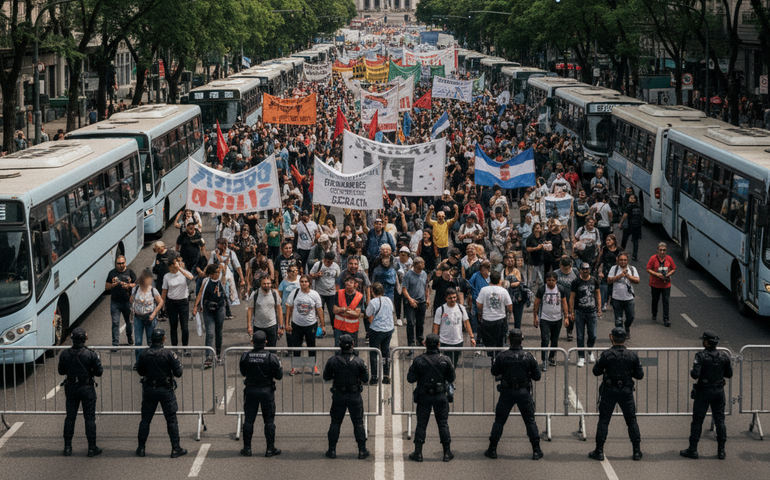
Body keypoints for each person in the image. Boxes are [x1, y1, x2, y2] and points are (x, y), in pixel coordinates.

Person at [484, 329, 543, 461]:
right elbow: (537, 376)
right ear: (522, 340)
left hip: (507, 392)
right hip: (523, 392)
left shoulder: (502, 356)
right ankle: (536, 450)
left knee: (499, 421)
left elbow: (494, 371)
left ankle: (492, 449)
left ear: (509, 340)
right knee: (530, 421)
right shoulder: (528, 356)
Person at [589, 327, 644, 462]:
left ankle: (599, 451)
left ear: (611, 337)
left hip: (609, 390)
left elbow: (596, 371)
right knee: (631, 421)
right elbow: (640, 375)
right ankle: (636, 451)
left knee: (604, 420)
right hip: (626, 391)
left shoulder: (606, 355)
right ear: (625, 339)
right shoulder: (632, 355)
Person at [680, 331, 733, 460]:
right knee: (720, 420)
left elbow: (695, 374)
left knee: (697, 421)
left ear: (707, 342)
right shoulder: (724, 356)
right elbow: (729, 374)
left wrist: (695, 370)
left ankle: (693, 450)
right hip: (719, 390)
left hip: (703, 391)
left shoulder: (701, 356)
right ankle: (721, 451)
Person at [135, 328, 187, 459]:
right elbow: (178, 373)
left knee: (145, 419)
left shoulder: (144, 354)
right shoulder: (169, 354)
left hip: (149, 390)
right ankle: (175, 448)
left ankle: (141, 448)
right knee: (171, 420)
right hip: (166, 390)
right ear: (163, 339)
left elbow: (140, 371)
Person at [407, 334, 456, 463]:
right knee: (443, 424)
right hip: (440, 396)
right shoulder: (445, 360)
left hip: (424, 396)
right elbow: (451, 378)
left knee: (421, 424)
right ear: (438, 344)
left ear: (425, 344)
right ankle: (447, 453)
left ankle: (418, 453)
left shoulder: (418, 360)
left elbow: (410, 378)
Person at [323, 334, 370, 460]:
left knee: (335, 422)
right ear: (352, 345)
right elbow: (366, 378)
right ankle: (362, 450)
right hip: (354, 395)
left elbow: (326, 376)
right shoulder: (359, 361)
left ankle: (332, 450)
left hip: (339, 395)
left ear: (340, 345)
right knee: (358, 423)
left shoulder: (333, 361)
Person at [59, 327, 103, 457]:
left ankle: (67, 447)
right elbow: (99, 372)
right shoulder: (90, 354)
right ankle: (92, 447)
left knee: (70, 417)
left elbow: (61, 371)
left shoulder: (65, 354)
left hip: (71, 388)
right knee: (89, 418)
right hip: (87, 388)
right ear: (85, 338)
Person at [239, 330, 283, 458]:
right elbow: (279, 376)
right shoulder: (271, 357)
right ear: (265, 342)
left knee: (248, 421)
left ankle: (247, 448)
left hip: (251, 391)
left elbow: (243, 372)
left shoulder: (245, 356)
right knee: (269, 421)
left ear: (252, 342)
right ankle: (270, 449)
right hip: (266, 392)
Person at [285, 275, 325, 376]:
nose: (303, 283)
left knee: (311, 345)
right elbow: (288, 307)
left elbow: (319, 309)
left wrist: (323, 324)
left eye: (306, 281)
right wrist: (287, 323)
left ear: (309, 283)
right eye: (302, 281)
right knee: (296, 346)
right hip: (296, 324)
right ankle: (296, 366)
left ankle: (313, 366)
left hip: (311, 324)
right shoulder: (294, 293)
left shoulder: (314, 294)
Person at [532, 272, 569, 371]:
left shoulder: (560, 289)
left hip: (557, 319)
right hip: (545, 319)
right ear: (546, 280)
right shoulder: (542, 290)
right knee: (545, 340)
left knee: (554, 340)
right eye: (549, 280)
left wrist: (566, 317)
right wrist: (535, 317)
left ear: (556, 281)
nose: (551, 282)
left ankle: (552, 357)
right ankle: (544, 360)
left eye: (553, 280)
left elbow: (564, 303)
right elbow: (536, 304)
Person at [432, 288, 475, 367]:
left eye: (454, 297)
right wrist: (435, 341)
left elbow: (466, 323)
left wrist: (472, 337)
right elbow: (436, 326)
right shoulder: (440, 310)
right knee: (444, 364)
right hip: (444, 342)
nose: (452, 299)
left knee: (453, 364)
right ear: (446, 298)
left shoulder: (461, 309)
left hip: (458, 341)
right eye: (450, 298)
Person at [570, 263, 601, 368]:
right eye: (583, 269)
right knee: (580, 336)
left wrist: (599, 308)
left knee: (593, 334)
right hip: (580, 311)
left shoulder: (594, 280)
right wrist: (571, 312)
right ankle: (581, 357)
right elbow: (572, 297)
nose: (585, 271)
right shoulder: (576, 282)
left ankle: (590, 351)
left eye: (587, 269)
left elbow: (597, 294)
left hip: (592, 311)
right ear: (580, 270)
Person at [130, 271, 164, 364]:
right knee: (138, 341)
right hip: (138, 318)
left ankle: (151, 361)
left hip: (149, 318)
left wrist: (154, 313)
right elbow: (131, 299)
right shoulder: (135, 289)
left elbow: (161, 302)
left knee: (150, 341)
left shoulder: (153, 290)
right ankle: (138, 362)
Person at [476, 271, 513, 355]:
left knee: (489, 343)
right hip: (500, 319)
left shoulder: (484, 290)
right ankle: (497, 358)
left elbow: (478, 304)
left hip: (487, 319)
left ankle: (491, 357)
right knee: (499, 343)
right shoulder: (503, 291)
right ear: (499, 280)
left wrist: (485, 308)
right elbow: (510, 307)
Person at [162, 253, 194, 350]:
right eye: (172, 264)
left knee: (184, 327)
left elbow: (191, 277)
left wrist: (179, 268)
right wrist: (162, 304)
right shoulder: (167, 276)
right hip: (171, 303)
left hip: (183, 302)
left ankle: (185, 347)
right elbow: (164, 291)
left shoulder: (183, 273)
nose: (173, 266)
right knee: (173, 326)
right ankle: (174, 347)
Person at [365, 282, 395, 385]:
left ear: (372, 291)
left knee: (374, 352)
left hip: (377, 329)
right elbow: (391, 310)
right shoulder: (388, 300)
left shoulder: (373, 302)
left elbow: (368, 313)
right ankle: (386, 375)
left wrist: (368, 297)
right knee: (385, 352)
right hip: (388, 328)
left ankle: (374, 377)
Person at [105, 255, 137, 347]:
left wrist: (128, 285)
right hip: (115, 302)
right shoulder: (112, 273)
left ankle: (129, 336)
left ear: (125, 263)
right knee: (115, 323)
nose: (121, 265)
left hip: (127, 302)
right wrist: (114, 285)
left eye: (123, 263)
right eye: (119, 263)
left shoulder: (130, 272)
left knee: (129, 322)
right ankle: (115, 343)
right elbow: (106, 287)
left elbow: (137, 284)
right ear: (116, 264)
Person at [608, 252, 639, 338]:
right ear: (618, 260)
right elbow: (609, 280)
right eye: (621, 260)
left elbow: (637, 280)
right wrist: (620, 275)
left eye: (625, 260)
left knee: (631, 316)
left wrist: (628, 276)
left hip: (629, 298)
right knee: (618, 319)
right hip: (617, 298)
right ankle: (620, 334)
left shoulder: (632, 269)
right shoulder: (614, 269)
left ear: (627, 260)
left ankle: (627, 326)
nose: (623, 262)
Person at [246, 276, 283, 347]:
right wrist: (249, 326)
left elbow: (279, 309)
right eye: (264, 283)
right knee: (258, 348)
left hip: (272, 326)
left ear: (271, 284)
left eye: (268, 283)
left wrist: (281, 326)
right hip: (258, 326)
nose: (266, 285)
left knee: (272, 348)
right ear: (260, 284)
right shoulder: (255, 294)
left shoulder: (275, 293)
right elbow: (250, 310)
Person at [402, 257, 429, 351]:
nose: (423, 265)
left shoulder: (424, 274)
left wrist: (427, 298)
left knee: (420, 322)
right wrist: (410, 299)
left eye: (423, 263)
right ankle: (411, 343)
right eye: (421, 263)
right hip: (411, 302)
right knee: (410, 323)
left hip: (421, 302)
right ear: (416, 264)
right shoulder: (408, 275)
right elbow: (404, 289)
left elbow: (426, 287)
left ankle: (419, 339)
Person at [309, 251, 341, 329]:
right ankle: (320, 328)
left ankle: (335, 328)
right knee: (320, 312)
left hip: (332, 293)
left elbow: (338, 279)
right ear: (324, 259)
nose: (329, 264)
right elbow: (310, 275)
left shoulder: (335, 266)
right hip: (320, 293)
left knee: (332, 312)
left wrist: (337, 291)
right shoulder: (318, 265)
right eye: (328, 262)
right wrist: (316, 275)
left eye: (331, 262)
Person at [646, 242, 676, 326]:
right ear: (657, 250)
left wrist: (668, 274)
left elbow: (673, 268)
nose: (662, 252)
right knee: (655, 300)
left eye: (664, 250)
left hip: (666, 284)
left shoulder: (669, 259)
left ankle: (666, 319)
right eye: (660, 250)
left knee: (666, 301)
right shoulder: (653, 258)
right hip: (655, 284)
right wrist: (656, 274)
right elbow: (648, 269)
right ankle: (654, 312)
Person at [333, 276, 364, 347]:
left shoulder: (359, 296)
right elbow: (334, 310)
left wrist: (341, 311)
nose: (348, 283)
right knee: (338, 348)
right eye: (347, 281)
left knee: (353, 348)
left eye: (351, 282)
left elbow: (357, 314)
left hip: (352, 328)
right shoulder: (339, 293)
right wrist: (344, 309)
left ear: (355, 285)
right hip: (339, 327)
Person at [555, 256, 577, 340]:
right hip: (558, 298)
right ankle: (555, 332)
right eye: (563, 268)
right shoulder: (556, 273)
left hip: (570, 297)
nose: (564, 270)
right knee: (557, 316)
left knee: (570, 315)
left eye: (566, 268)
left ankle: (569, 331)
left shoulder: (575, 272)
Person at [619, 194, 643, 261]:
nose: (631, 199)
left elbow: (625, 215)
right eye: (631, 198)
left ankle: (621, 253)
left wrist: (621, 222)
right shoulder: (639, 207)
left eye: (632, 198)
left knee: (624, 240)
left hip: (629, 226)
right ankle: (635, 256)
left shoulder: (628, 206)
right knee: (635, 241)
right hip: (637, 226)